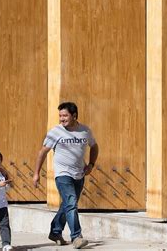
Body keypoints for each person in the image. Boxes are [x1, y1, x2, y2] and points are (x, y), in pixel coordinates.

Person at [33, 101, 99, 249]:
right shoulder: (56, 131)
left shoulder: (85, 131)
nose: (62, 119)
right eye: (60, 116)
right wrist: (36, 173)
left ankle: (55, 231)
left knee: (68, 205)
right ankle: (76, 237)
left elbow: (94, 146)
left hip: (79, 174)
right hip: (63, 174)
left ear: (74, 115)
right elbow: (42, 152)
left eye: (65, 115)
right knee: (71, 203)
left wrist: (91, 164)